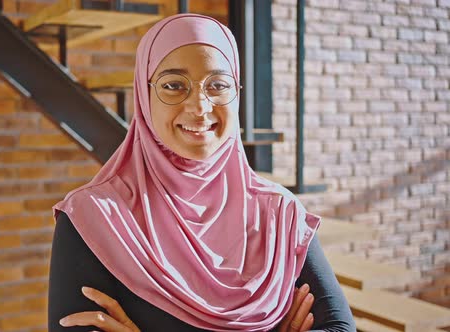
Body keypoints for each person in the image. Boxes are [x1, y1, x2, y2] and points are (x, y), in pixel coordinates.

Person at [49, 13, 355, 331]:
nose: (200, 106)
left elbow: (340, 328)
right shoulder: (94, 217)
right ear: (144, 94)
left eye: (218, 85)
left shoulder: (279, 212)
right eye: (173, 85)